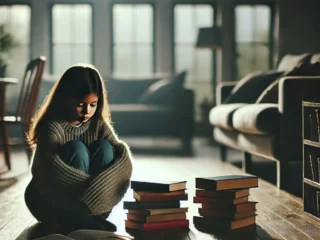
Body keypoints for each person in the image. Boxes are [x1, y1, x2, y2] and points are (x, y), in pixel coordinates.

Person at [24, 64, 133, 234]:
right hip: (48, 202)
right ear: (65, 99)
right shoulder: (52, 127)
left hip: (94, 207)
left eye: (93, 105)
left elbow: (123, 161)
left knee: (106, 147)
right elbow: (49, 170)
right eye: (80, 104)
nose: (86, 112)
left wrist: (95, 194)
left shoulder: (99, 126)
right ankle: (79, 219)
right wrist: (90, 192)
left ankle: (85, 218)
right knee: (77, 148)